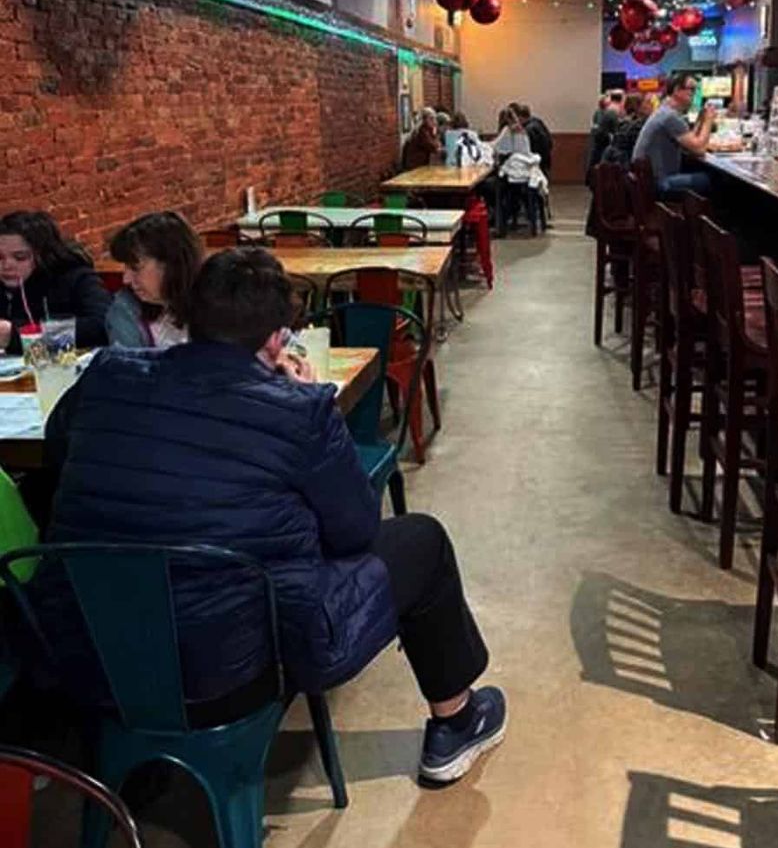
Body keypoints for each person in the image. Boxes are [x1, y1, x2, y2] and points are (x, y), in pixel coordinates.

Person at [40, 246, 506, 783]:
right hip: (226, 673)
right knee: (422, 540)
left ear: (188, 315)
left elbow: (58, 461)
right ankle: (457, 721)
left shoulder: (107, 373)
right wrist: (312, 406)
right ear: (275, 338)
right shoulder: (299, 410)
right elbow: (355, 531)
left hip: (87, 655)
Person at [0, 211, 110, 355]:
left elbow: (102, 325)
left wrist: (14, 336)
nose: (7, 265)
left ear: (42, 255)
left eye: (20, 257)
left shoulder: (76, 278)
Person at [105, 211, 204, 348]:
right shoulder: (126, 309)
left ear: (171, 264)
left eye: (136, 267)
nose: (125, 279)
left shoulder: (219, 306)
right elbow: (129, 366)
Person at [632, 72, 713, 197]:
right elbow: (699, 149)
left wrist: (700, 120)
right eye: (691, 89)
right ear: (676, 90)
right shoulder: (670, 117)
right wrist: (708, 120)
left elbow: (690, 140)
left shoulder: (664, 111)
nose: (694, 94)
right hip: (659, 183)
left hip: (647, 181)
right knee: (712, 180)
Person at [604, 93, 654, 167]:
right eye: (648, 103)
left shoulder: (625, 123)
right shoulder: (638, 126)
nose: (652, 106)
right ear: (639, 107)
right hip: (629, 167)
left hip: (616, 166)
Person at [512, 104, 553, 176]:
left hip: (536, 164)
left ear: (520, 117)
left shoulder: (529, 130)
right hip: (544, 161)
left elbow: (529, 149)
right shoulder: (537, 121)